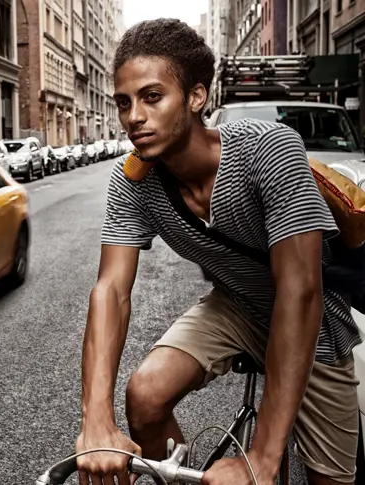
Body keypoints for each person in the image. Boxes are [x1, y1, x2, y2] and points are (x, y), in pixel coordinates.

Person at [75, 18, 361, 485]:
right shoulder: (134, 182)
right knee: (144, 397)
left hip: (314, 320)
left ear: (195, 97)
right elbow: (111, 290)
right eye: (123, 102)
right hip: (235, 304)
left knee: (328, 478)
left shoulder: (268, 150)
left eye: (151, 97)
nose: (133, 117)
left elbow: (301, 289)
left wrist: (264, 458)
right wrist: (96, 419)